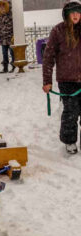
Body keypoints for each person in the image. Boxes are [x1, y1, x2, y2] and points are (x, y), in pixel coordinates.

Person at [42, 0, 81, 154]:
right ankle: (70, 141)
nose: (76, 15)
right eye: (73, 12)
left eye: (78, 12)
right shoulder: (58, 31)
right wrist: (47, 81)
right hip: (67, 80)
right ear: (67, 14)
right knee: (71, 112)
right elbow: (48, 57)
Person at [0, 0, 15, 73]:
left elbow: (14, 26)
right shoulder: (0, 17)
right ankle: (5, 67)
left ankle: (14, 66)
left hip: (10, 37)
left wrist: (14, 35)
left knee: (12, 52)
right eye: (0, 9)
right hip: (3, 38)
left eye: (3, 8)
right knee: (4, 53)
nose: (2, 10)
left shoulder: (10, 15)